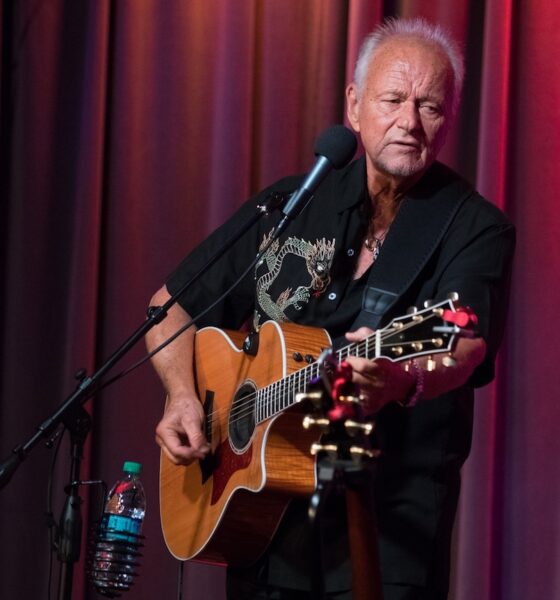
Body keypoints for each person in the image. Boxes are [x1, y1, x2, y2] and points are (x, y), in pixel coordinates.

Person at [146, 17, 515, 600]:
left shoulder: (474, 227)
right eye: (393, 99)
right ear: (355, 105)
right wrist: (184, 397)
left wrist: (402, 378)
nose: (409, 123)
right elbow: (169, 306)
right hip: (263, 527)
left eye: (430, 107)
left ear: (450, 118)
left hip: (386, 534)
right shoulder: (290, 206)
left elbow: (465, 342)